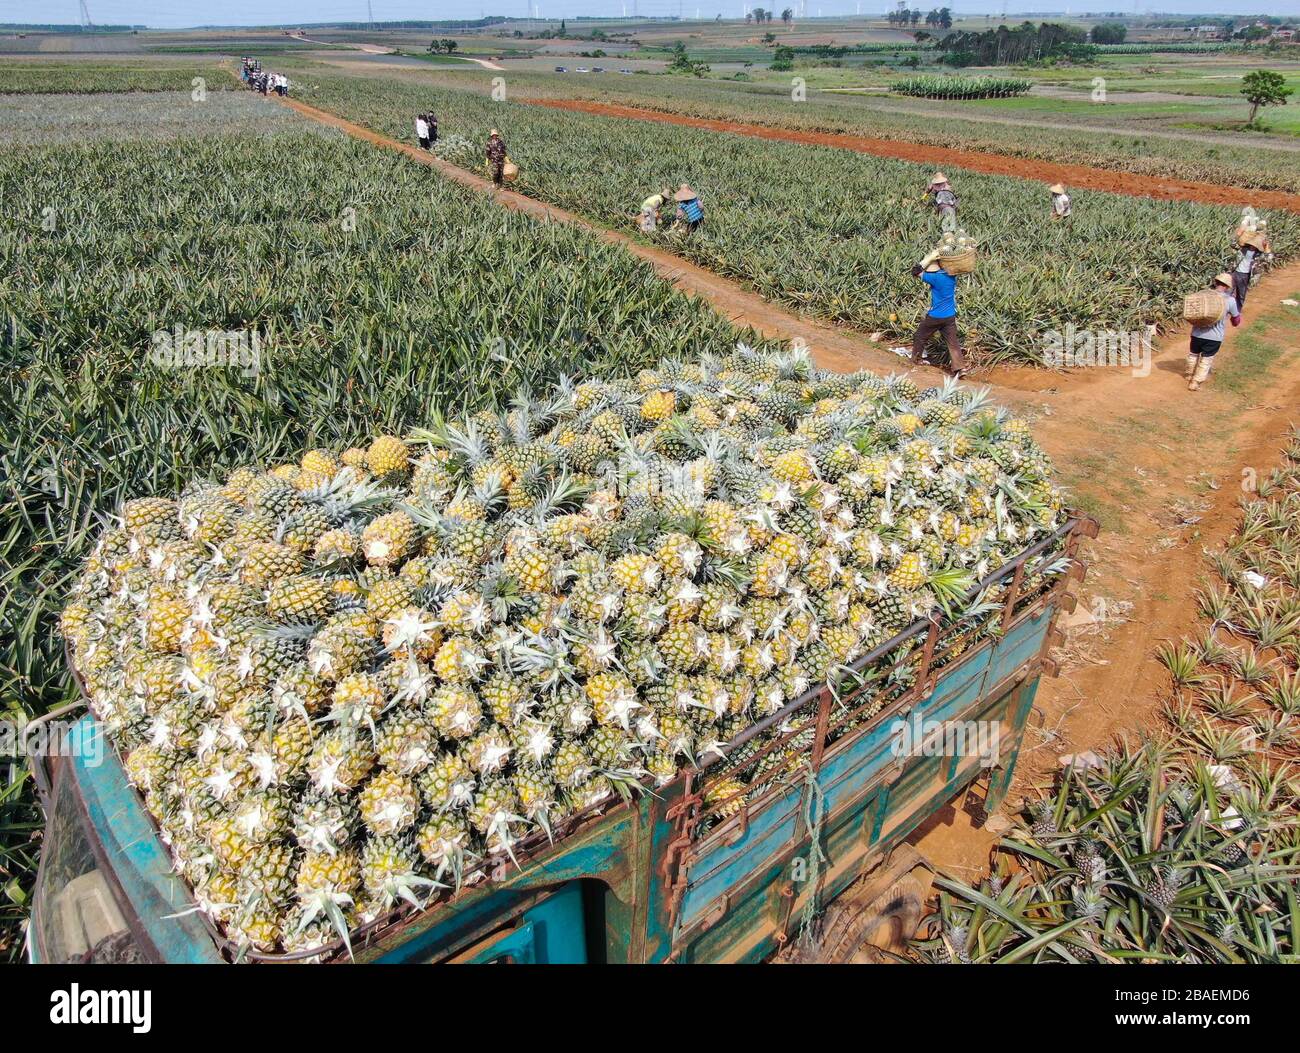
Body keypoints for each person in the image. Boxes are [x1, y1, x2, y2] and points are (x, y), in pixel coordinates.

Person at [910, 250, 968, 378]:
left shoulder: (935, 278)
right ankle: (960, 369)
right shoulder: (951, 277)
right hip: (950, 316)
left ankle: (916, 359)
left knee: (919, 336)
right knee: (953, 343)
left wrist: (929, 258)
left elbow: (915, 271)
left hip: (935, 316)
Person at [1186, 273, 1241, 391]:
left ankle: (1189, 374)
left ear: (1216, 283)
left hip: (1196, 334)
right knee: (1206, 359)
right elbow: (1236, 320)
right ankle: (1195, 382)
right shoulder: (1230, 300)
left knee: (1193, 354)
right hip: (1214, 337)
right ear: (1227, 286)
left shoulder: (1204, 295)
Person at [1232, 231, 1269, 310]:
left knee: (1241, 294)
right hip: (1236, 272)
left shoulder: (1259, 254)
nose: (1253, 246)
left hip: (1246, 275)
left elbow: (1268, 258)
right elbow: (1232, 243)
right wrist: (1238, 234)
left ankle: (1238, 310)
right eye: (1252, 244)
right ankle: (1226, 309)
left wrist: (1266, 247)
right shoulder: (1243, 249)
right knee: (1229, 291)